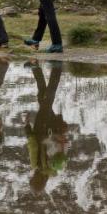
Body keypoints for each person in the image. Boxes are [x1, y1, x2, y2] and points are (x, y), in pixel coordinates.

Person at [24, 61, 68, 191]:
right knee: (47, 99)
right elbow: (32, 144)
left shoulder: (56, 168)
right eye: (32, 179)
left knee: (42, 98)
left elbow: (64, 148)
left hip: (55, 129)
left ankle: (36, 68)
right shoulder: (36, 166)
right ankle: (56, 68)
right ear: (35, 179)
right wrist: (26, 126)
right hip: (42, 129)